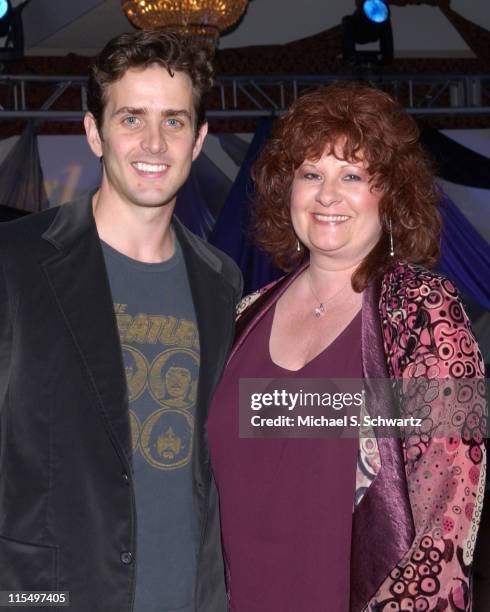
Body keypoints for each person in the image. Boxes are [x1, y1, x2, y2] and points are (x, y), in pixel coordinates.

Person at [207, 82, 486, 611]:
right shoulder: (243, 317)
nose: (326, 194)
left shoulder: (427, 310)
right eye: (311, 174)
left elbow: (452, 510)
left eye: (352, 176)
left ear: (392, 194)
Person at [0, 30, 242, 612]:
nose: (154, 143)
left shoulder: (221, 280)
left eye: (175, 122)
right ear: (94, 133)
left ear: (199, 138)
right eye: (132, 119)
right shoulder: (15, 261)